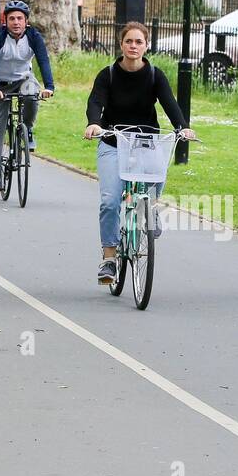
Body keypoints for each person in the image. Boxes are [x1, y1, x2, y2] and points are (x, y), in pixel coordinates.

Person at [84, 22, 195, 284]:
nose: (133, 46)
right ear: (121, 44)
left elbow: (170, 103)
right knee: (110, 201)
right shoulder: (108, 74)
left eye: (139, 42)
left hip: (146, 143)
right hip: (113, 142)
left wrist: (183, 128)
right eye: (129, 41)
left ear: (146, 46)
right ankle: (109, 258)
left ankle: (151, 208)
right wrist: (94, 122)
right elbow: (95, 101)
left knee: (155, 179)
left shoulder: (154, 75)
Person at [0, 0, 54, 190]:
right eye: (12, 18)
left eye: (19, 19)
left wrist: (49, 86)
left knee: (32, 93)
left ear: (26, 21)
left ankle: (27, 129)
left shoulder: (33, 36)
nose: (16, 22)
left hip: (23, 80)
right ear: (5, 21)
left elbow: (43, 61)